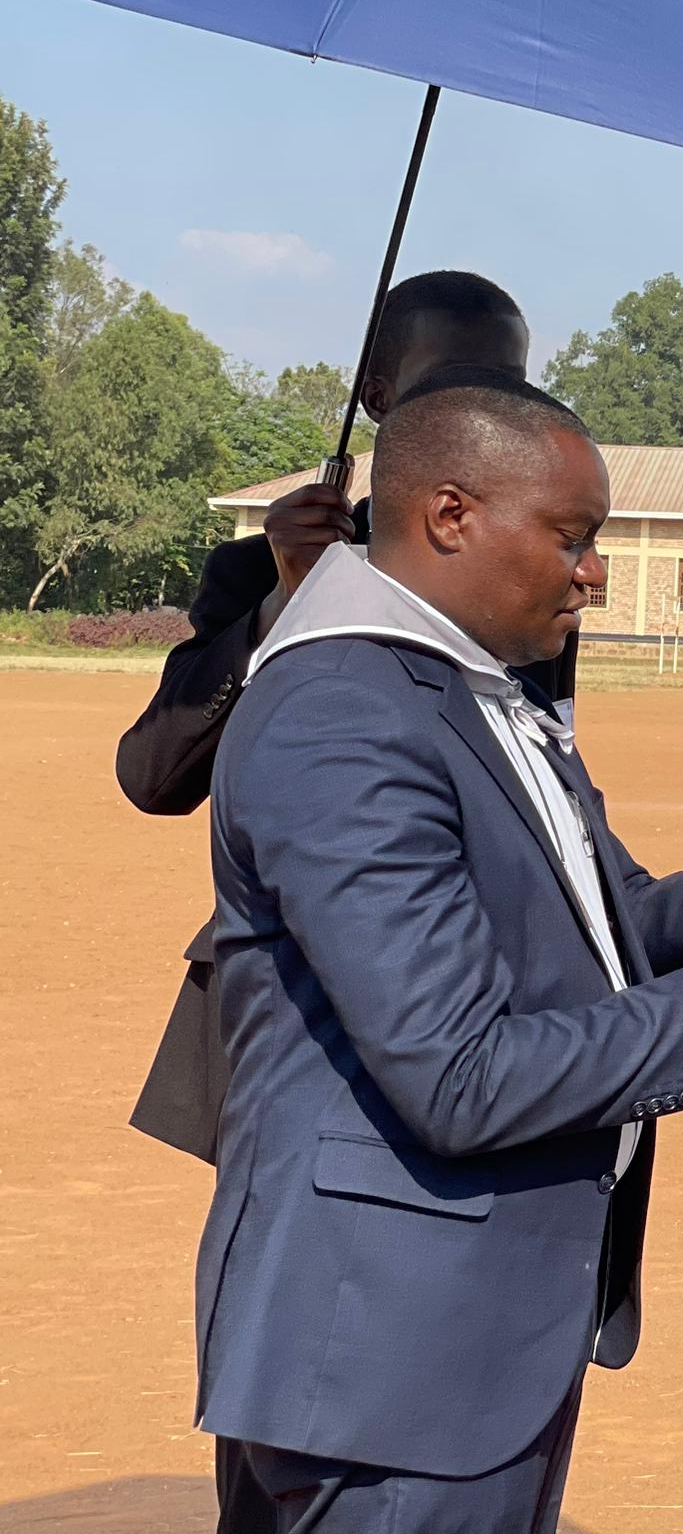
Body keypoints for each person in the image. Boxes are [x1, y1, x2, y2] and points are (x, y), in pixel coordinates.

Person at [198, 373, 683, 1534]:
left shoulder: (471, 692)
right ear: (449, 516)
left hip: (470, 1343)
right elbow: (455, 1075)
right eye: (571, 538)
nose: (594, 572)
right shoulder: (344, 711)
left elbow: (609, 927)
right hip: (384, 1362)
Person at [119, 270, 550, 1167]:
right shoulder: (258, 577)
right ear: (378, 399)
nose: (480, 407)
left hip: (466, 1005)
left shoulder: (531, 585)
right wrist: (287, 603)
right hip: (289, 1019)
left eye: (503, 385)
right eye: (449, 382)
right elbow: (153, 776)